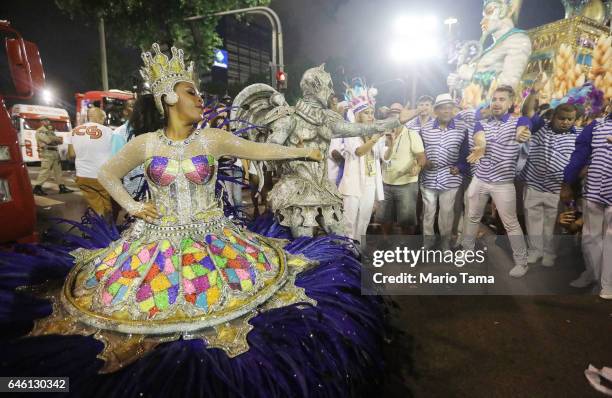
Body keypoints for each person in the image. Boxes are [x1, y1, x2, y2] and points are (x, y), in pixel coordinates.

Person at [462, 85, 532, 278]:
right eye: (494, 99)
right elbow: (479, 137)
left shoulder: (520, 121)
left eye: (502, 99)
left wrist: (521, 135)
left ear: (510, 103)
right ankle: (467, 251)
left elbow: (522, 131)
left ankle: (522, 262)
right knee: (472, 217)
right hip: (480, 179)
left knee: (510, 223)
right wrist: (481, 146)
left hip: (503, 183)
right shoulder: (482, 123)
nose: (497, 103)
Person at [520, 89, 579, 267]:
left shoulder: (578, 136)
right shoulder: (539, 127)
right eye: (562, 118)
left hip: (557, 189)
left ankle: (549, 253)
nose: (566, 122)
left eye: (570, 119)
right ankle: (535, 251)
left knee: (553, 224)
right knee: (533, 220)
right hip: (534, 184)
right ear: (553, 117)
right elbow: (527, 112)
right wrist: (534, 92)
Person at [562, 114, 612, 299]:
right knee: (590, 237)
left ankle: (608, 284)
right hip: (594, 190)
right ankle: (592, 274)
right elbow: (580, 154)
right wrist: (567, 181)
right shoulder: (596, 125)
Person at [419, 94, 469, 249]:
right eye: (443, 108)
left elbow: (466, 152)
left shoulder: (462, 128)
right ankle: (428, 242)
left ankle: (445, 244)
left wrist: (460, 167)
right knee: (428, 212)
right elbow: (419, 150)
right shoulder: (425, 128)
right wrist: (424, 161)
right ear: (436, 110)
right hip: (428, 176)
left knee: (446, 213)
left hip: (450, 176)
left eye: (449, 107)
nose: (447, 111)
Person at [337, 85, 385, 243]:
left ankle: (358, 250)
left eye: (372, 112)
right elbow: (358, 151)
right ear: (358, 115)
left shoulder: (375, 132)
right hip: (353, 183)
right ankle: (347, 250)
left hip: (370, 181)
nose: (371, 116)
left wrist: (389, 142)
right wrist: (374, 139)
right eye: (366, 113)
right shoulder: (350, 131)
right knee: (349, 221)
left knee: (364, 219)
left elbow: (382, 156)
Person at [377, 103, 425, 235]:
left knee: (407, 220)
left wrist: (418, 166)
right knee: (384, 218)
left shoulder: (411, 134)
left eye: (397, 113)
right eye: (391, 114)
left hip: (406, 184)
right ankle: (386, 244)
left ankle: (406, 247)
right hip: (385, 183)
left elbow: (421, 156)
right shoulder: (383, 135)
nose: (394, 117)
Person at [68, 106, 114, 217]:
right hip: (102, 176)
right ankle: (109, 231)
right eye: (103, 118)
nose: (104, 120)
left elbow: (71, 154)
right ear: (100, 117)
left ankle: (98, 229)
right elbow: (115, 153)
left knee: (96, 207)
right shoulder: (108, 131)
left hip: (83, 176)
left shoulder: (74, 131)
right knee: (109, 208)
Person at [32, 118, 73, 195]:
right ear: (41, 122)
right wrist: (55, 139)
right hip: (47, 153)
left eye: (48, 121)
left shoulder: (50, 131)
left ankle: (62, 187)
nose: (47, 122)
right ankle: (37, 188)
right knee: (45, 171)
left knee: (58, 171)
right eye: (45, 120)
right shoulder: (40, 131)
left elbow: (60, 141)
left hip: (55, 153)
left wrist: (55, 139)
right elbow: (48, 141)